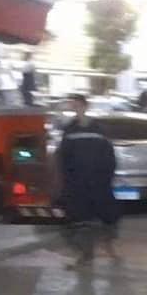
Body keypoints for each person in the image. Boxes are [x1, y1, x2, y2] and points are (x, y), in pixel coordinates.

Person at [56, 93, 120, 268]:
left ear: (85, 106)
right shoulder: (70, 130)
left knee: (107, 216)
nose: (75, 109)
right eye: (73, 106)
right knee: (80, 219)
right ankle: (86, 254)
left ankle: (108, 245)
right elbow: (64, 157)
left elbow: (108, 154)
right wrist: (66, 180)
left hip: (99, 182)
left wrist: (108, 176)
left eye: (77, 105)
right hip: (78, 183)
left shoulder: (99, 129)